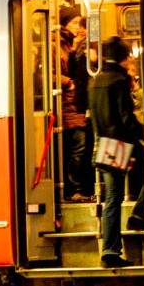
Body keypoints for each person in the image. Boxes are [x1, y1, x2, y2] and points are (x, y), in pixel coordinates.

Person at [91, 36, 144, 268]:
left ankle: (110, 250)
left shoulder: (95, 80)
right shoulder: (119, 81)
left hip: (103, 145)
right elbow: (126, 119)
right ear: (124, 57)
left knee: (111, 199)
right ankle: (139, 213)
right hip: (121, 145)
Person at [58, 29, 94, 202]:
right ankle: (73, 189)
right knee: (78, 149)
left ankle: (80, 188)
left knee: (82, 150)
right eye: (73, 22)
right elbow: (49, 75)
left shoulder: (68, 47)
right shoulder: (56, 47)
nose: (79, 28)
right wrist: (70, 83)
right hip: (70, 107)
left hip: (76, 106)